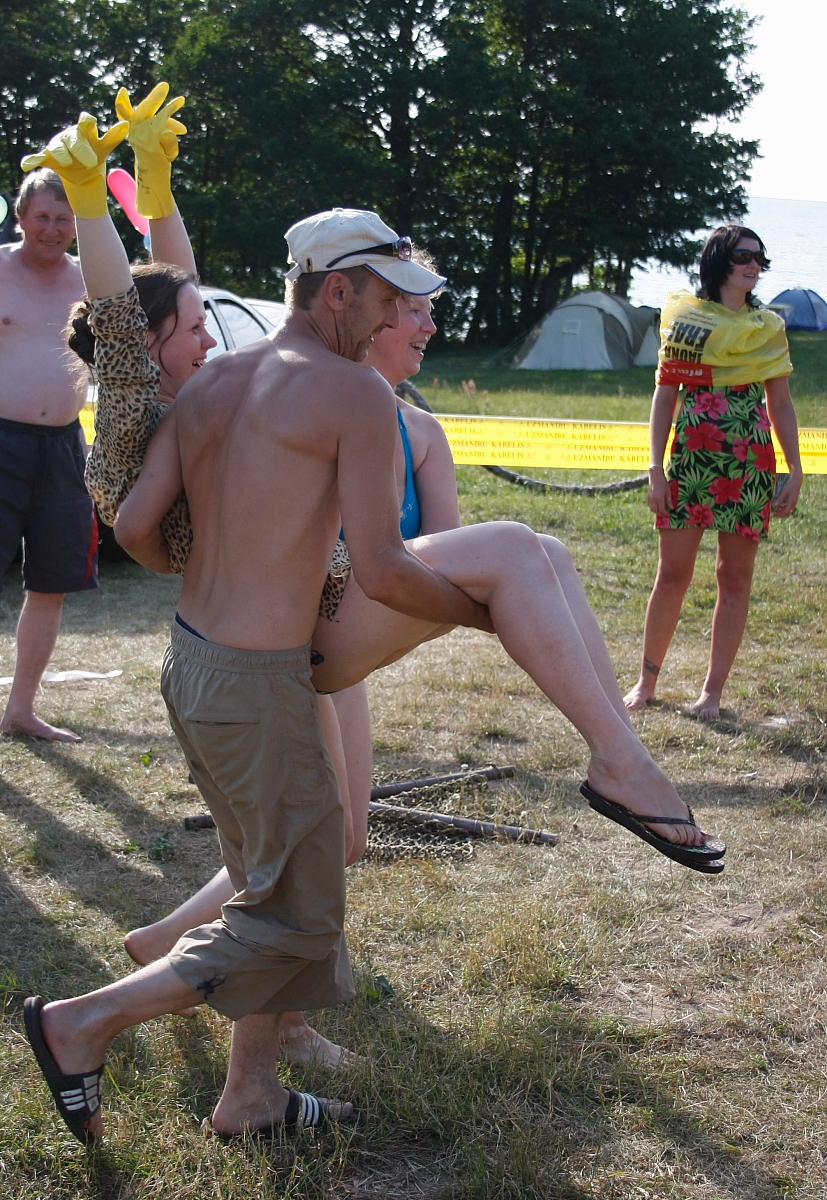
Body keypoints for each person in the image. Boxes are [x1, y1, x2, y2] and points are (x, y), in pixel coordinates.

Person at [21, 101, 495, 1145]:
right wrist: (95, 200)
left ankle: (258, 1075)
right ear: (151, 347)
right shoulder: (149, 404)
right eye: (192, 326)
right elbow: (127, 315)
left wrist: (155, 188)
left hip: (275, 640)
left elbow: (169, 281)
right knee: (296, 890)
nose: (210, 330)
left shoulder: (213, 388)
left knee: (298, 862)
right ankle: (97, 1020)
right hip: (254, 652)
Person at [623, 225, 803, 720]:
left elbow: (781, 404)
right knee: (672, 574)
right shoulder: (686, 321)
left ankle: (712, 693)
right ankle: (646, 682)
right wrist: (655, 469)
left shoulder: (766, 329)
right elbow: (665, 397)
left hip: (750, 465)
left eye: (760, 258)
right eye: (744, 256)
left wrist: (796, 469)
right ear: (719, 260)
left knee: (734, 577)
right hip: (691, 463)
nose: (754, 265)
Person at [0, 167, 99, 742]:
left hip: (64, 448)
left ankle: (20, 709)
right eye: (43, 216)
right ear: (22, 217)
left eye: (65, 219)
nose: (53, 228)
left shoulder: (90, 280)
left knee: (51, 584)